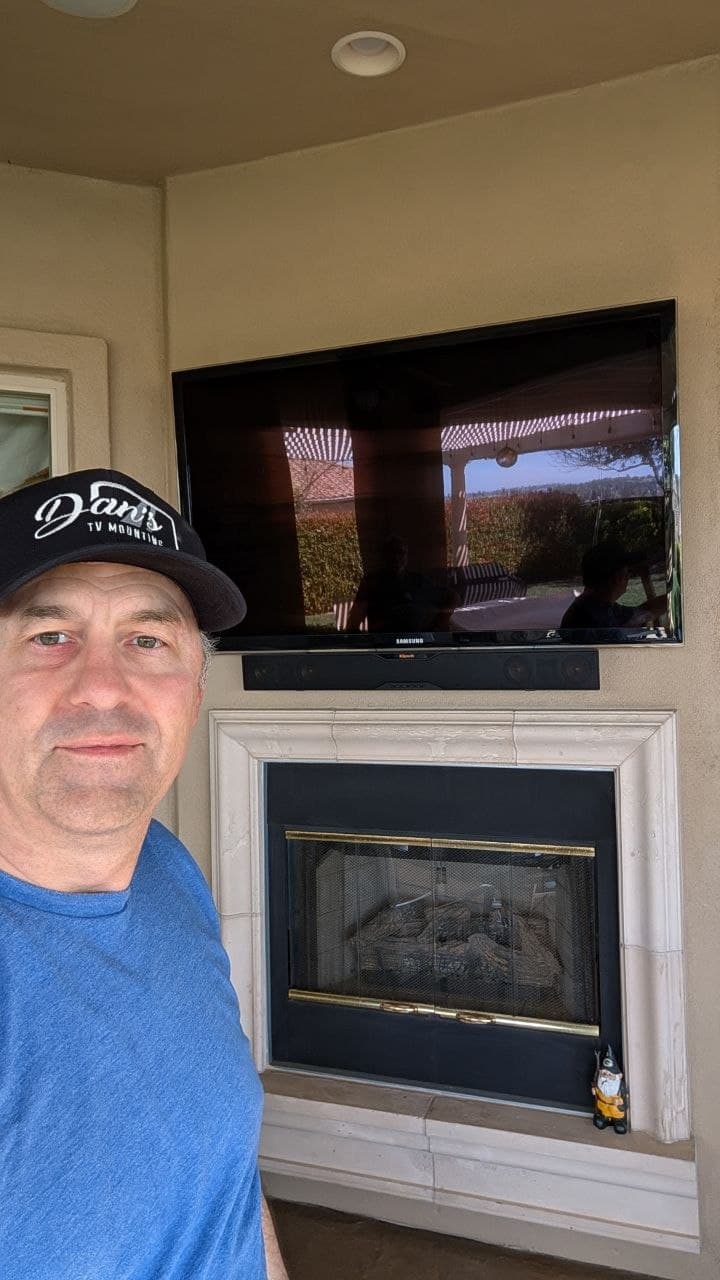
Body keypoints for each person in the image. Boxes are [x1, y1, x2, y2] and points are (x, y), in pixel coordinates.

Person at [0, 469, 287, 1280]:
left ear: (193, 691)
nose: (102, 686)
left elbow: (221, 1185)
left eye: (147, 640)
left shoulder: (164, 866)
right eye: (48, 636)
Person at [560, 539, 666, 641]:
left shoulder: (593, 606)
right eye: (627, 571)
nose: (629, 576)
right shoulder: (596, 619)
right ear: (617, 578)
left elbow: (644, 613)